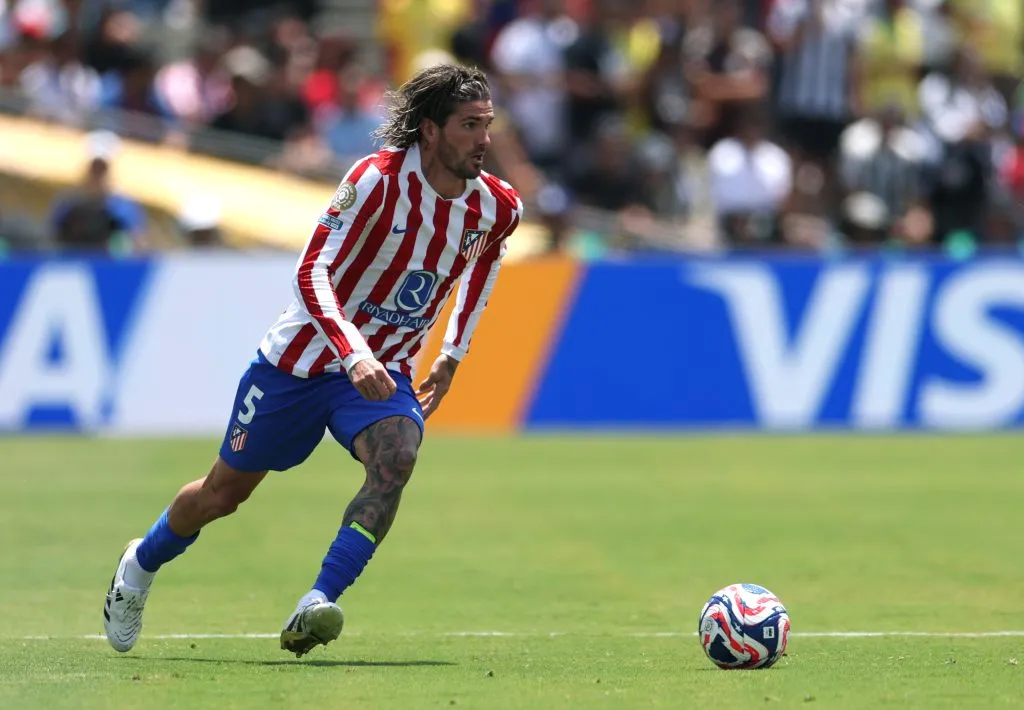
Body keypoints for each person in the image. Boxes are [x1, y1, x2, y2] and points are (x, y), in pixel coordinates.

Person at [102, 63, 524, 658]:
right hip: (299, 364)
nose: (484, 139)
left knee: (398, 455)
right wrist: (351, 352)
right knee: (222, 495)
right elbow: (311, 270)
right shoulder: (376, 180)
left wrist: (453, 352)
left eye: (488, 124)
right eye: (469, 125)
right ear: (430, 130)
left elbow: (485, 266)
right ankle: (139, 565)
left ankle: (316, 601)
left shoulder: (496, 207)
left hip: (384, 370)